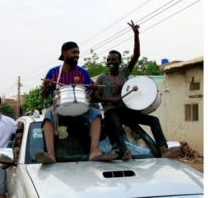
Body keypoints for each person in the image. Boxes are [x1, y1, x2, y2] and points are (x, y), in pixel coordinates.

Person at [95, 20, 181, 160]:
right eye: (109, 60)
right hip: (111, 111)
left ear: (119, 62)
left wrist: (136, 34)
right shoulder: (101, 79)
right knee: (114, 120)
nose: (111, 62)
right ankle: (124, 151)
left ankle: (163, 149)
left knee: (153, 120)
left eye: (114, 60)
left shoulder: (124, 74)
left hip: (126, 110)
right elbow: (95, 98)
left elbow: (136, 55)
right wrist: (111, 99)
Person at [36, 41, 118, 163]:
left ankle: (94, 152)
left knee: (96, 113)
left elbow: (89, 95)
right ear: (64, 53)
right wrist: (46, 87)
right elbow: (43, 96)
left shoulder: (83, 73)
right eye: (74, 52)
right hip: (59, 110)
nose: (77, 55)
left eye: (78, 53)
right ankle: (51, 155)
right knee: (48, 115)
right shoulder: (53, 72)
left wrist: (94, 89)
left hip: (81, 110)